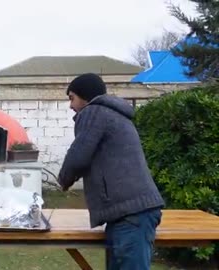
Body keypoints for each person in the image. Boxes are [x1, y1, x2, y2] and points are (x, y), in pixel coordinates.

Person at [57, 73, 165, 270]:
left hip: (132, 214)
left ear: (85, 96)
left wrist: (63, 179)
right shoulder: (112, 115)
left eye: (72, 98)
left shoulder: (94, 112)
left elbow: (79, 154)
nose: (70, 105)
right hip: (129, 213)